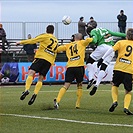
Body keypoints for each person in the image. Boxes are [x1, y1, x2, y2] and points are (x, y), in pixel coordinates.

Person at [16, 25, 58, 105]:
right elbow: (55, 52)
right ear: (53, 31)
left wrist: (20, 42)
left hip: (41, 57)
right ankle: (35, 94)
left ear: (46, 30)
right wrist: (52, 62)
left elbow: (33, 40)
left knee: (31, 72)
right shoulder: (56, 40)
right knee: (41, 78)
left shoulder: (44, 36)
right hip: (49, 61)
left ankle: (27, 89)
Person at [54, 33, 93, 109]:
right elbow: (90, 40)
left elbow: (58, 49)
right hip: (79, 67)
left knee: (66, 85)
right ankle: (77, 104)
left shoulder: (68, 45)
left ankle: (58, 100)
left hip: (70, 67)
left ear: (74, 38)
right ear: (81, 38)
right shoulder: (82, 42)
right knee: (79, 85)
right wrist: (92, 37)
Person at [99, 28, 133, 115]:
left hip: (118, 68)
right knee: (128, 90)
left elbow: (111, 50)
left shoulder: (120, 42)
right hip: (129, 70)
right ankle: (126, 107)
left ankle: (115, 101)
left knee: (114, 85)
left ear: (127, 36)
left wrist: (102, 58)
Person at [86, 26, 126, 96]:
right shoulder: (106, 30)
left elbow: (94, 40)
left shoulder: (93, 31)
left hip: (102, 47)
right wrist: (126, 35)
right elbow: (118, 34)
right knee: (103, 67)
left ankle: (91, 78)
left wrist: (90, 41)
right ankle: (97, 84)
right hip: (111, 49)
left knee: (89, 62)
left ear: (89, 32)